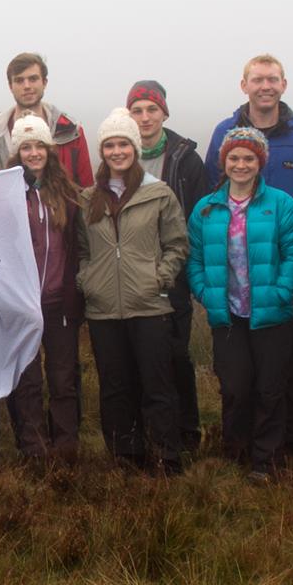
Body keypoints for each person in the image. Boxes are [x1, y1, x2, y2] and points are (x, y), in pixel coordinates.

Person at [203, 55, 293, 455]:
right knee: (237, 366)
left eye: (272, 79)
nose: (265, 86)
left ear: (283, 84)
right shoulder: (225, 131)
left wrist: (290, 229)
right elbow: (212, 191)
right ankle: (239, 443)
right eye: (257, 79)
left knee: (290, 354)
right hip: (235, 262)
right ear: (244, 85)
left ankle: (289, 437)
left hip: (284, 262)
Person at [187, 128, 293, 481]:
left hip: (271, 314)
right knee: (235, 388)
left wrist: (280, 293)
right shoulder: (206, 209)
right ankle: (235, 454)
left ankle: (266, 460)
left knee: (270, 387)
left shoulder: (281, 204)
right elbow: (193, 258)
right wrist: (205, 293)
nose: (241, 165)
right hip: (228, 316)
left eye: (249, 158)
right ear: (223, 162)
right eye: (234, 158)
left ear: (261, 163)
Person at [78, 109, 189, 471]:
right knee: (115, 387)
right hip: (104, 308)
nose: (116, 151)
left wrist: (160, 278)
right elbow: (81, 250)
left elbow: (177, 244)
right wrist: (87, 280)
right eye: (109, 145)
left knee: (157, 385)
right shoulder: (88, 198)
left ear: (134, 147)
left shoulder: (158, 193)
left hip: (149, 306)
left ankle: (167, 455)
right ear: (101, 151)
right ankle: (125, 456)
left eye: (123, 143)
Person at [128, 79, 212, 454]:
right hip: (130, 274)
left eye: (151, 109)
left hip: (173, 270)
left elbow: (200, 216)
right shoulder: (121, 153)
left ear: (164, 112)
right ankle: (150, 430)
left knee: (176, 353)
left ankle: (188, 431)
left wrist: (184, 267)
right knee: (141, 356)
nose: (145, 117)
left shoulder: (184, 158)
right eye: (137, 110)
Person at [3, 116, 83, 464]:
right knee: (27, 379)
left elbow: (77, 245)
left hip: (59, 300)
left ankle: (66, 447)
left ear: (50, 150)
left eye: (39, 146)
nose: (33, 153)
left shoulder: (67, 192)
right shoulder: (4, 192)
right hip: (21, 303)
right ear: (16, 152)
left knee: (64, 378)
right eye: (25, 147)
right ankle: (33, 447)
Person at [0, 53, 93, 185]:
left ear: (44, 82)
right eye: (19, 80)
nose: (26, 86)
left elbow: (85, 189)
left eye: (33, 79)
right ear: (10, 86)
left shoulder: (71, 132)